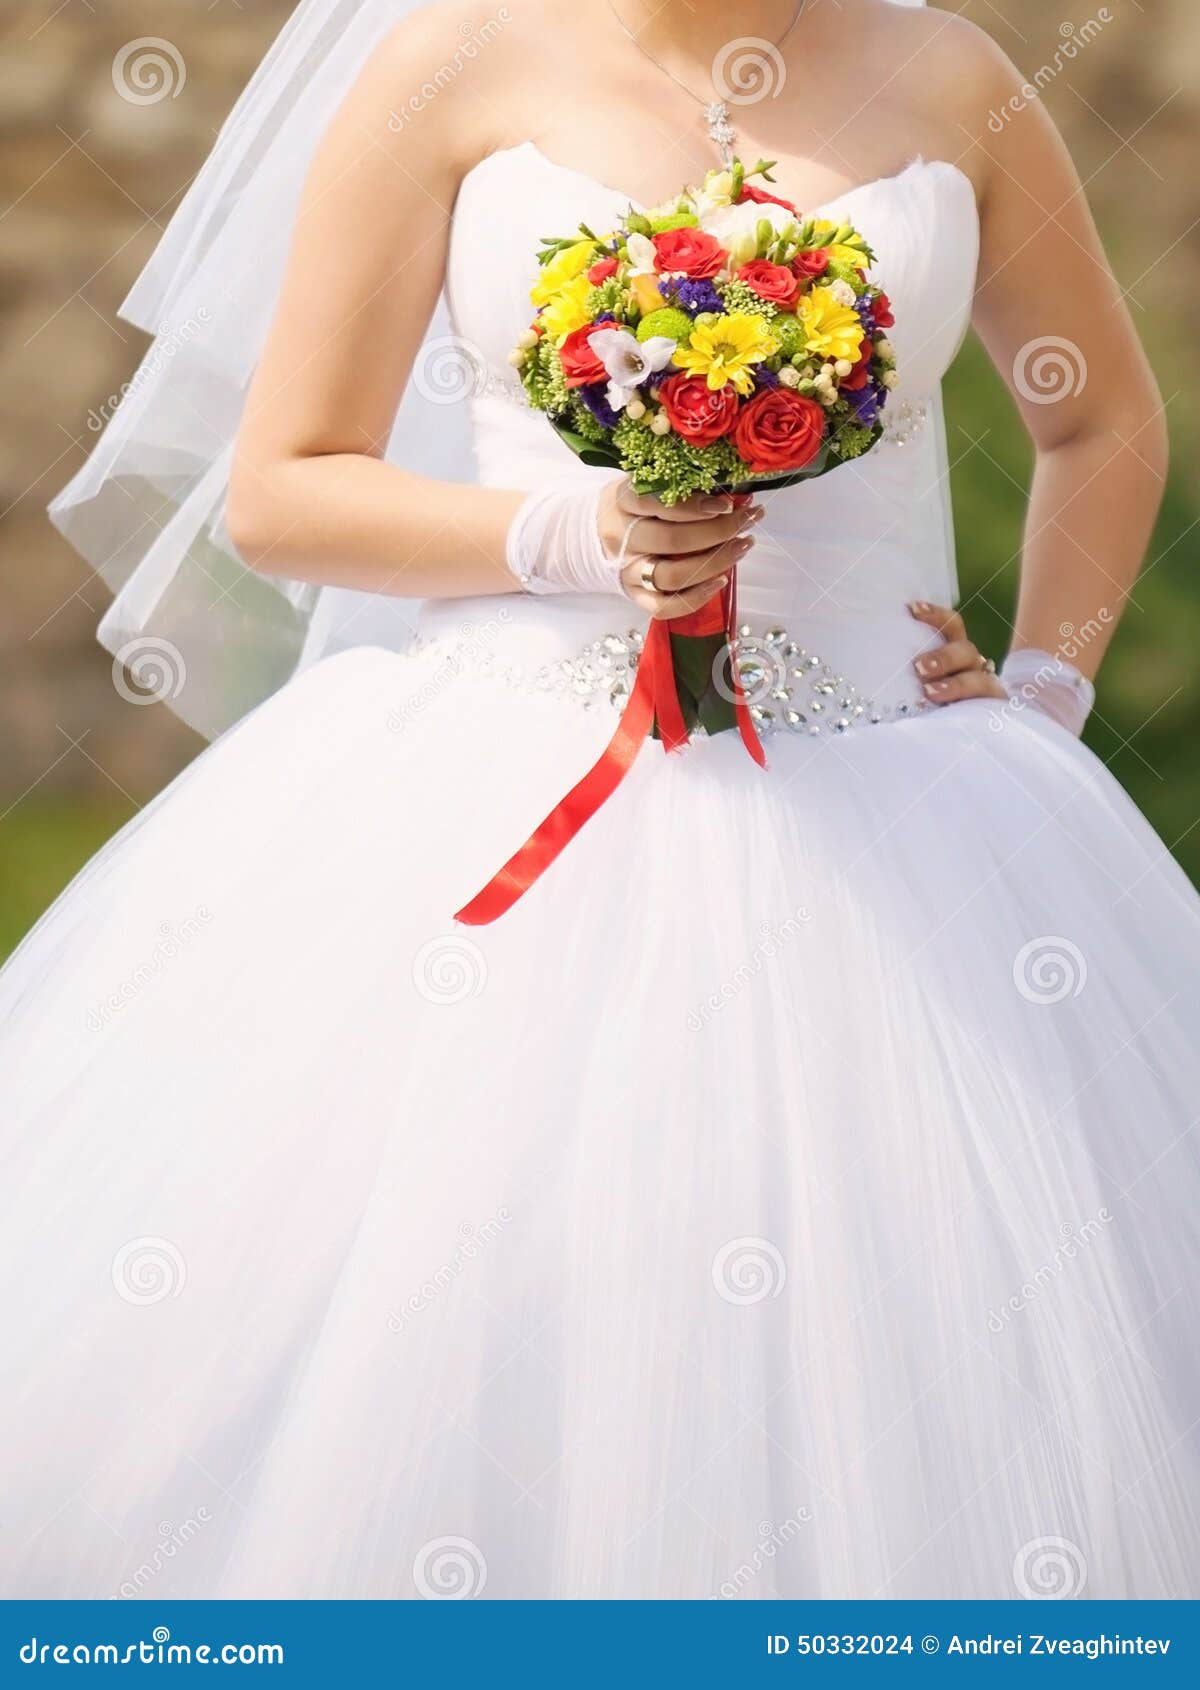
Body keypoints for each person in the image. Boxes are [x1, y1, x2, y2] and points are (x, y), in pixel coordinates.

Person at [2, 0, 1197, 1600]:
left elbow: (1102, 416)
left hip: (908, 798)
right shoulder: (451, 63)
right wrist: (564, 540)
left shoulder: (959, 73)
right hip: (500, 768)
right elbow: (286, 479)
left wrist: (1048, 691)